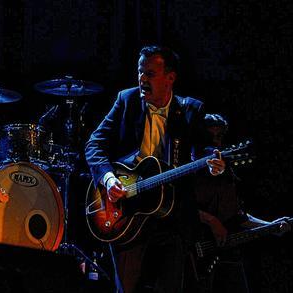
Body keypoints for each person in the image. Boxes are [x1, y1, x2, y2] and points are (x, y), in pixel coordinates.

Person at [85, 45, 226, 293]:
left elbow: (203, 153)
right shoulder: (126, 100)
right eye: (140, 72)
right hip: (127, 214)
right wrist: (108, 179)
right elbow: (95, 144)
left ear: (170, 78)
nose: (142, 79)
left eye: (150, 74)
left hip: (170, 218)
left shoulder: (191, 109)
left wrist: (215, 165)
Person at [194, 113, 291, 293]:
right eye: (210, 136)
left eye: (219, 136)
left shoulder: (227, 175)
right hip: (191, 256)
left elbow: (238, 216)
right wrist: (211, 220)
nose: (216, 143)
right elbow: (181, 207)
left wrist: (270, 226)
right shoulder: (188, 168)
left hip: (224, 255)